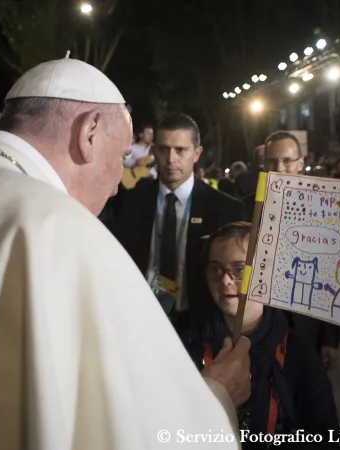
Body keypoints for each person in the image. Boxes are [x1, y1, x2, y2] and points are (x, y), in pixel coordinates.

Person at [0, 57, 251, 449]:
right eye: (120, 159)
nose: (117, 186)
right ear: (90, 131)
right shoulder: (57, 226)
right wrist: (217, 395)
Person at [181, 222, 340, 449]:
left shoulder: (299, 353)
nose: (225, 280)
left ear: (267, 274)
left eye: (239, 269)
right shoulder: (187, 344)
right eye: (216, 269)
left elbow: (324, 438)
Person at [104, 113, 245, 332]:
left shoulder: (225, 208)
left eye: (180, 150)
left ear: (196, 154)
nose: (171, 160)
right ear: (154, 152)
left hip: (200, 324)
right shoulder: (129, 203)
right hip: (139, 320)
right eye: (163, 149)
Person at [243, 131, 340, 371]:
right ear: (262, 165)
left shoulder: (325, 208)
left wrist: (330, 339)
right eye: (271, 161)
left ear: (301, 163)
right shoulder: (244, 207)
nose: (279, 167)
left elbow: (333, 274)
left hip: (307, 324)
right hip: (258, 322)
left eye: (286, 161)